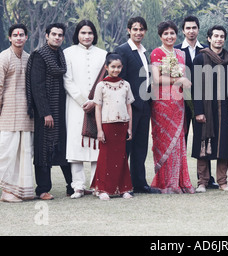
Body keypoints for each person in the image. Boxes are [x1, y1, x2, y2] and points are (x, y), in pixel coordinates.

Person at [0, 24, 34, 202]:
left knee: (24, 152)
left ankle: (22, 190)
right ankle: (6, 191)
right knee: (6, 151)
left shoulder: (28, 58)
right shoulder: (3, 58)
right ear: (10, 38)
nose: (19, 38)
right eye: (15, 35)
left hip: (26, 114)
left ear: (26, 37)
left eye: (22, 35)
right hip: (7, 112)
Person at [26, 23, 73, 200]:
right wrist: (45, 112)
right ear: (46, 35)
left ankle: (72, 186)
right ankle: (43, 189)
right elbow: (37, 86)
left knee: (63, 148)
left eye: (60, 35)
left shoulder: (60, 54)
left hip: (60, 109)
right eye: (54, 34)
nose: (57, 37)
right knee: (43, 149)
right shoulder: (40, 55)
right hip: (45, 111)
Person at [192, 25, 228, 192]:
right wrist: (198, 111)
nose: (219, 39)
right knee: (203, 145)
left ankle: (222, 182)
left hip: (224, 109)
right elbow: (196, 88)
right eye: (216, 36)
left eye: (222, 36)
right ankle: (202, 182)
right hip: (205, 110)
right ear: (209, 39)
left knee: (223, 146)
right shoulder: (200, 59)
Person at [115, 17, 160, 194]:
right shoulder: (122, 50)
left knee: (140, 146)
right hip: (129, 107)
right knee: (126, 147)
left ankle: (139, 183)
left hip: (144, 105)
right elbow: (119, 80)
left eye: (141, 29)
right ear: (128, 30)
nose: (138, 32)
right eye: (135, 29)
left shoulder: (143, 51)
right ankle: (123, 185)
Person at [149, 21, 195, 194]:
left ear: (177, 35)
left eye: (172, 33)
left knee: (178, 141)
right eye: (166, 34)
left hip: (178, 101)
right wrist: (179, 80)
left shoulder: (181, 54)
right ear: (160, 36)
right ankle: (165, 182)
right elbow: (156, 79)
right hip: (161, 102)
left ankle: (179, 181)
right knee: (164, 140)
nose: (170, 36)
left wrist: (186, 82)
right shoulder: (156, 53)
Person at [63, 20, 107, 198]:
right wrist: (83, 101)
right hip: (75, 106)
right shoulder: (68, 53)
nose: (87, 36)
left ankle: (97, 184)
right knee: (76, 146)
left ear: (94, 35)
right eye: (83, 33)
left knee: (98, 145)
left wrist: (94, 101)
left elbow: (105, 80)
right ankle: (78, 186)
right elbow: (67, 79)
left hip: (98, 106)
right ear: (77, 35)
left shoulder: (103, 54)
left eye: (90, 33)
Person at [174, 15, 218, 189]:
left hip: (204, 102)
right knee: (181, 139)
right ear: (183, 30)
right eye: (188, 28)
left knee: (204, 137)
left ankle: (206, 178)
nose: (191, 31)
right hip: (181, 101)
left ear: (198, 29)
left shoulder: (207, 49)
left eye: (194, 28)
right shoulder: (176, 51)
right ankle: (179, 179)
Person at [92, 53, 134, 200]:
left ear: (122, 67)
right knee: (105, 157)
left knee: (121, 157)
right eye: (112, 67)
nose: (115, 70)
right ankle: (103, 189)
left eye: (118, 67)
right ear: (106, 67)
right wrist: (99, 130)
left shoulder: (126, 84)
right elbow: (97, 108)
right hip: (107, 125)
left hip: (122, 124)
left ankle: (123, 189)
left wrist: (129, 127)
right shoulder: (101, 85)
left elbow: (129, 106)